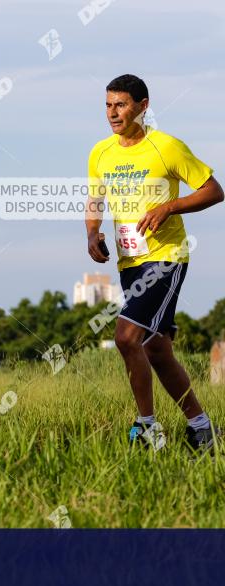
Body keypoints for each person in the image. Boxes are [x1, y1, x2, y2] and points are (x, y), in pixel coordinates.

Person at [85, 74, 223, 451]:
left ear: (143, 106)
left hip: (166, 257)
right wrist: (92, 232)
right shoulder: (101, 152)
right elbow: (95, 200)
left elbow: (214, 190)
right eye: (108, 105)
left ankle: (147, 428)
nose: (113, 113)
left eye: (121, 105)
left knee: (126, 336)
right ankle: (201, 428)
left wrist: (170, 207)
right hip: (130, 263)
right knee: (156, 348)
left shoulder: (167, 147)